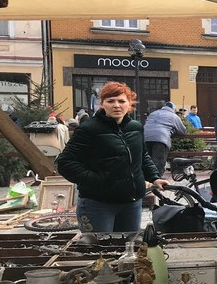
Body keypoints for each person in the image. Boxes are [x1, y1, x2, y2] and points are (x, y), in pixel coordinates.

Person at [57, 82, 167, 232]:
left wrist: (154, 177)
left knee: (128, 244)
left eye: (121, 101)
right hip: (98, 205)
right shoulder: (88, 129)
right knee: (99, 246)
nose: (116, 105)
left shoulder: (136, 127)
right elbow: (65, 163)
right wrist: (97, 180)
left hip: (131, 203)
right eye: (110, 101)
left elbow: (143, 156)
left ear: (129, 104)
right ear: (102, 104)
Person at [142, 101, 187, 175]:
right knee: (158, 161)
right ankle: (156, 179)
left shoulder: (153, 114)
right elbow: (182, 131)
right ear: (173, 109)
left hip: (145, 137)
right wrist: (172, 131)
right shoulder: (173, 116)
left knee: (147, 160)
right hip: (161, 138)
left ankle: (146, 179)